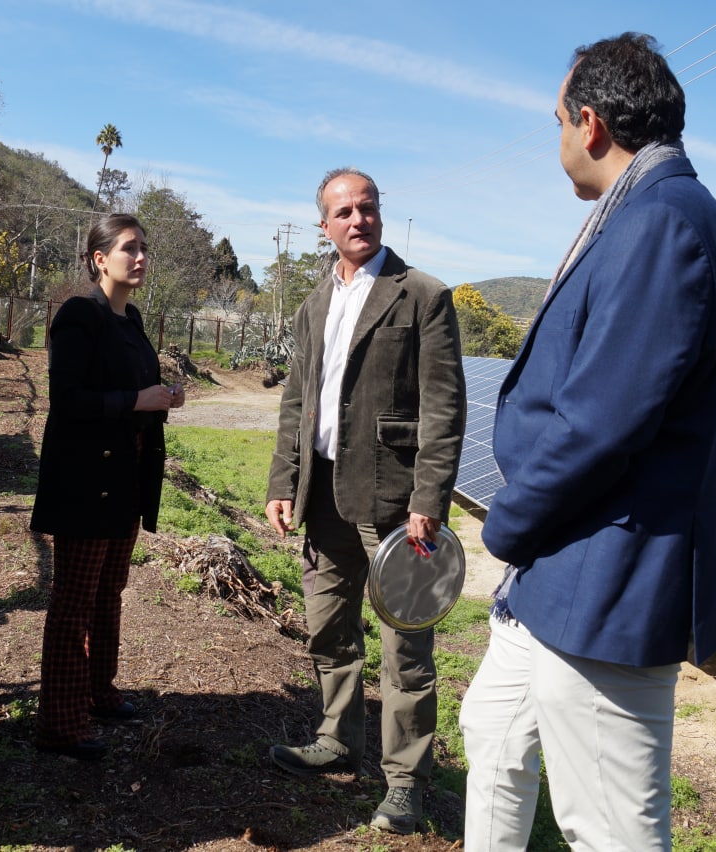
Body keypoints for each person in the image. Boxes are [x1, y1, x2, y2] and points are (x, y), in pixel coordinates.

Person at [459, 33, 716, 850]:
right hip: (560, 571)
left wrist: (508, 523)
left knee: (609, 827)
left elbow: (601, 421)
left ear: (589, 124)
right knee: (495, 736)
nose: (556, 141)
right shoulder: (648, 214)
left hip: (606, 580)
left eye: (556, 121)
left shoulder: (663, 223)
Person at [265, 167, 466, 835]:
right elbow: (298, 402)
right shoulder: (314, 301)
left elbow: (444, 408)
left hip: (395, 501)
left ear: (380, 214)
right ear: (324, 225)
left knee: (404, 649)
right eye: (344, 211)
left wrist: (429, 496)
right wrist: (281, 482)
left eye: (368, 207)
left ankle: (405, 780)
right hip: (321, 495)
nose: (358, 219)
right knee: (327, 625)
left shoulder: (423, 297)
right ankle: (338, 738)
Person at [29, 213, 183, 761]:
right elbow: (68, 401)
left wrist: (161, 395)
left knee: (109, 592)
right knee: (74, 601)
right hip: (85, 480)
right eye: (129, 248)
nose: (140, 257)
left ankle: (98, 691)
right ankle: (59, 724)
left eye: (144, 248)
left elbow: (133, 390)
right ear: (99, 258)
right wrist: (136, 401)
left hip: (127, 478)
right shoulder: (80, 315)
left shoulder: (131, 319)